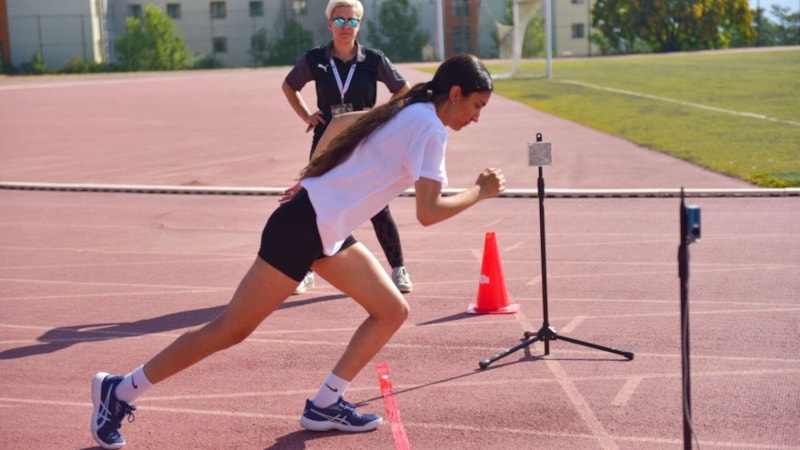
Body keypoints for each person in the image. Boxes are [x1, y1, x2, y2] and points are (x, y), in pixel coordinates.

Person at [90, 53, 503, 449]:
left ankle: (325, 403)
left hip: (325, 228)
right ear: (454, 94)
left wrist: (311, 179)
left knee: (391, 310)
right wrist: (479, 193)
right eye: (476, 106)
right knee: (230, 329)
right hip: (303, 228)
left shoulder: (410, 109)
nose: (476, 118)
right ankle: (120, 389)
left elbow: (339, 124)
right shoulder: (429, 129)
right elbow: (429, 212)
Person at [282, 0, 414, 295]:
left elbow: (403, 90)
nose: (346, 27)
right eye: (339, 21)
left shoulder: (373, 60)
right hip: (326, 139)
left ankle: (399, 268)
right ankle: (304, 271)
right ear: (329, 24)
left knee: (378, 206)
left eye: (352, 21)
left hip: (366, 140)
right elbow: (289, 86)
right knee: (315, 203)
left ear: (359, 25)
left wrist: (381, 115)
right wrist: (306, 115)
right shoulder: (315, 58)